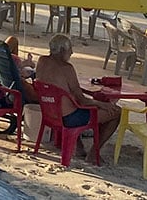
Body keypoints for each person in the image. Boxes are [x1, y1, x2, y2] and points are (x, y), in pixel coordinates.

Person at [36, 34, 121, 163]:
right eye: (70, 49)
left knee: (74, 104)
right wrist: (102, 104)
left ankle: (79, 147)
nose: (72, 52)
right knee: (116, 112)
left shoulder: (42, 61)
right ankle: (94, 152)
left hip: (49, 112)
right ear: (63, 50)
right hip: (69, 118)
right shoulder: (67, 68)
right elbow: (82, 100)